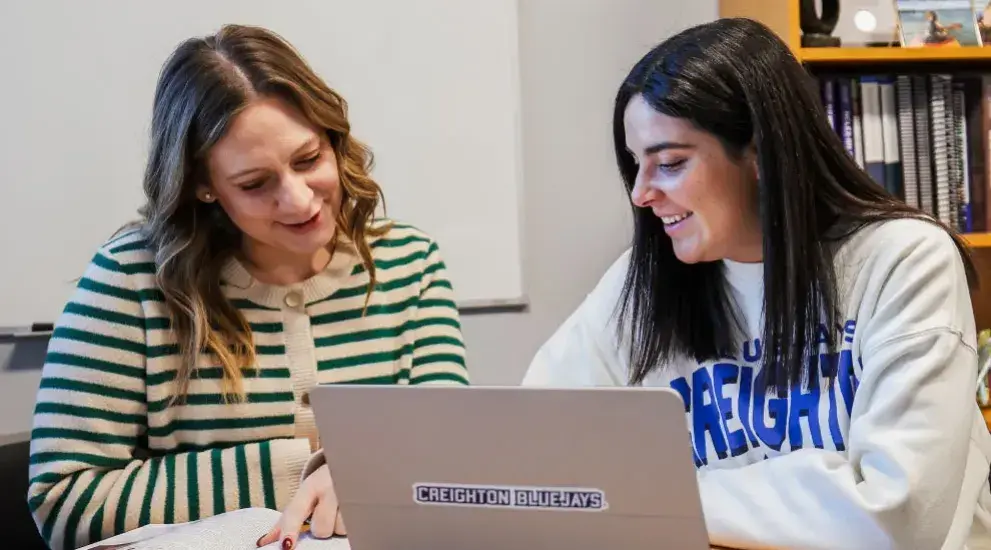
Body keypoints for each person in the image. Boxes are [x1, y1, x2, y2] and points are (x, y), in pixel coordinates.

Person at [522, 17, 991, 550]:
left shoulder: (902, 260)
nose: (641, 194)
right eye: (636, 165)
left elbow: (893, 518)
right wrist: (821, 488)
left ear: (761, 155)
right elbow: (539, 458)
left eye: (670, 163)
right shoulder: (641, 282)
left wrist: (656, 498)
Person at [27, 24, 469, 550]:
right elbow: (63, 501)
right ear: (203, 186)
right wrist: (301, 470)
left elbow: (454, 455)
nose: (300, 201)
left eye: (309, 160)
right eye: (255, 184)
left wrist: (377, 477)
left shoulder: (409, 263)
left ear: (334, 139)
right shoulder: (130, 281)